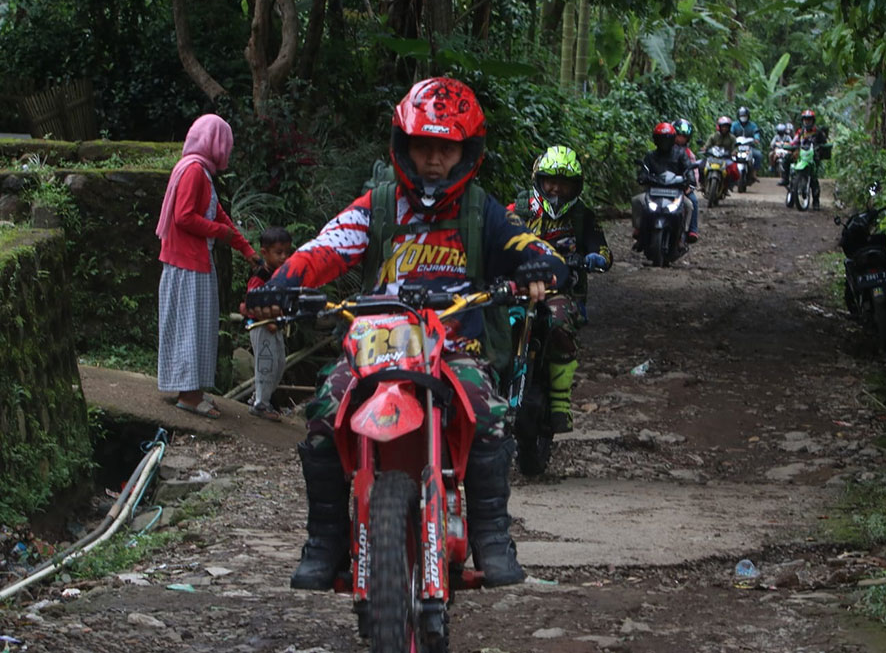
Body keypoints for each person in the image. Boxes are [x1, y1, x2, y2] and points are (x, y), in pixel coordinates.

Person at [247, 77, 568, 591]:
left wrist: (539, 267)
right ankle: (326, 541)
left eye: (446, 148)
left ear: (466, 152)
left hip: (454, 349)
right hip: (373, 348)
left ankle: (491, 535)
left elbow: (531, 246)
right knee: (326, 413)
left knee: (489, 415)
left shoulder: (479, 211)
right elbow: (323, 249)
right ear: (404, 148)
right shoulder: (376, 207)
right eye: (424, 147)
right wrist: (280, 285)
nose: (434, 160)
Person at [156, 113, 258, 419]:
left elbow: (218, 213)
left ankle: (192, 391)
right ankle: (189, 396)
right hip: (188, 265)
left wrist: (245, 248)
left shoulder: (198, 170)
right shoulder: (194, 172)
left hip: (191, 263)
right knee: (191, 329)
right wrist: (222, 234)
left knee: (197, 329)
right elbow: (184, 217)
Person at [510, 145, 612, 434]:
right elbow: (490, 236)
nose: (556, 189)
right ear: (538, 180)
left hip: (561, 292)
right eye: (551, 181)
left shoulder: (583, 216)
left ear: (575, 187)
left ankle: (560, 404)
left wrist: (596, 258)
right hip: (517, 287)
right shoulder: (517, 210)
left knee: (559, 327)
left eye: (564, 183)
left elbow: (603, 250)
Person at [245, 226, 293, 421]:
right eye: (278, 253)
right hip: (261, 328)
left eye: (287, 253)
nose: (284, 257)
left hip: (276, 327)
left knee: (279, 364)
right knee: (266, 364)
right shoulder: (260, 277)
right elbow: (250, 303)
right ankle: (261, 405)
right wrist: (268, 321)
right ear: (265, 253)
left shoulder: (281, 275)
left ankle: (259, 398)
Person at [631, 122, 694, 251]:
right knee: (636, 201)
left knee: (689, 205)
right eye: (661, 139)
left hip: (674, 192)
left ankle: (682, 236)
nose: (664, 143)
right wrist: (643, 177)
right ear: (656, 140)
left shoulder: (681, 154)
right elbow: (644, 170)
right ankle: (639, 229)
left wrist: (690, 180)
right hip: (654, 192)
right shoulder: (650, 156)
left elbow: (688, 169)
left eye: (667, 139)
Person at [784, 109, 829, 208]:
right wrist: (789, 146)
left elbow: (824, 143)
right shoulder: (800, 132)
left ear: (813, 121)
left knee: (813, 178)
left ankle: (816, 201)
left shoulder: (818, 132)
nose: (807, 122)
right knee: (787, 159)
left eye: (809, 120)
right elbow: (794, 141)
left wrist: (822, 147)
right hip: (801, 154)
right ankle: (785, 179)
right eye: (805, 120)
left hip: (813, 156)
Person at [671, 118, 700, 243]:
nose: (680, 139)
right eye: (678, 135)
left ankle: (692, 229)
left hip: (682, 186)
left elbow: (694, 173)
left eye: (683, 136)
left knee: (693, 201)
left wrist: (690, 185)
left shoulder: (689, 154)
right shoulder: (664, 151)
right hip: (665, 185)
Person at [701, 116, 740, 192]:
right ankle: (702, 183)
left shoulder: (732, 138)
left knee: (734, 170)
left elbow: (735, 147)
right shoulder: (714, 136)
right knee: (701, 166)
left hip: (726, 158)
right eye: (723, 127)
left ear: (729, 128)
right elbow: (707, 144)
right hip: (713, 157)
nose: (724, 128)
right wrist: (705, 148)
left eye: (726, 127)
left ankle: (728, 185)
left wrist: (734, 152)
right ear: (719, 127)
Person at [729, 106, 762, 179]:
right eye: (741, 116)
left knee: (758, 155)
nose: (743, 117)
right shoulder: (734, 125)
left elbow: (756, 133)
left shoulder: (752, 125)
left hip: (749, 147)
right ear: (738, 116)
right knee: (728, 155)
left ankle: (754, 173)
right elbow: (731, 133)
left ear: (748, 116)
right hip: (737, 147)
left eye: (745, 116)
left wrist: (756, 139)